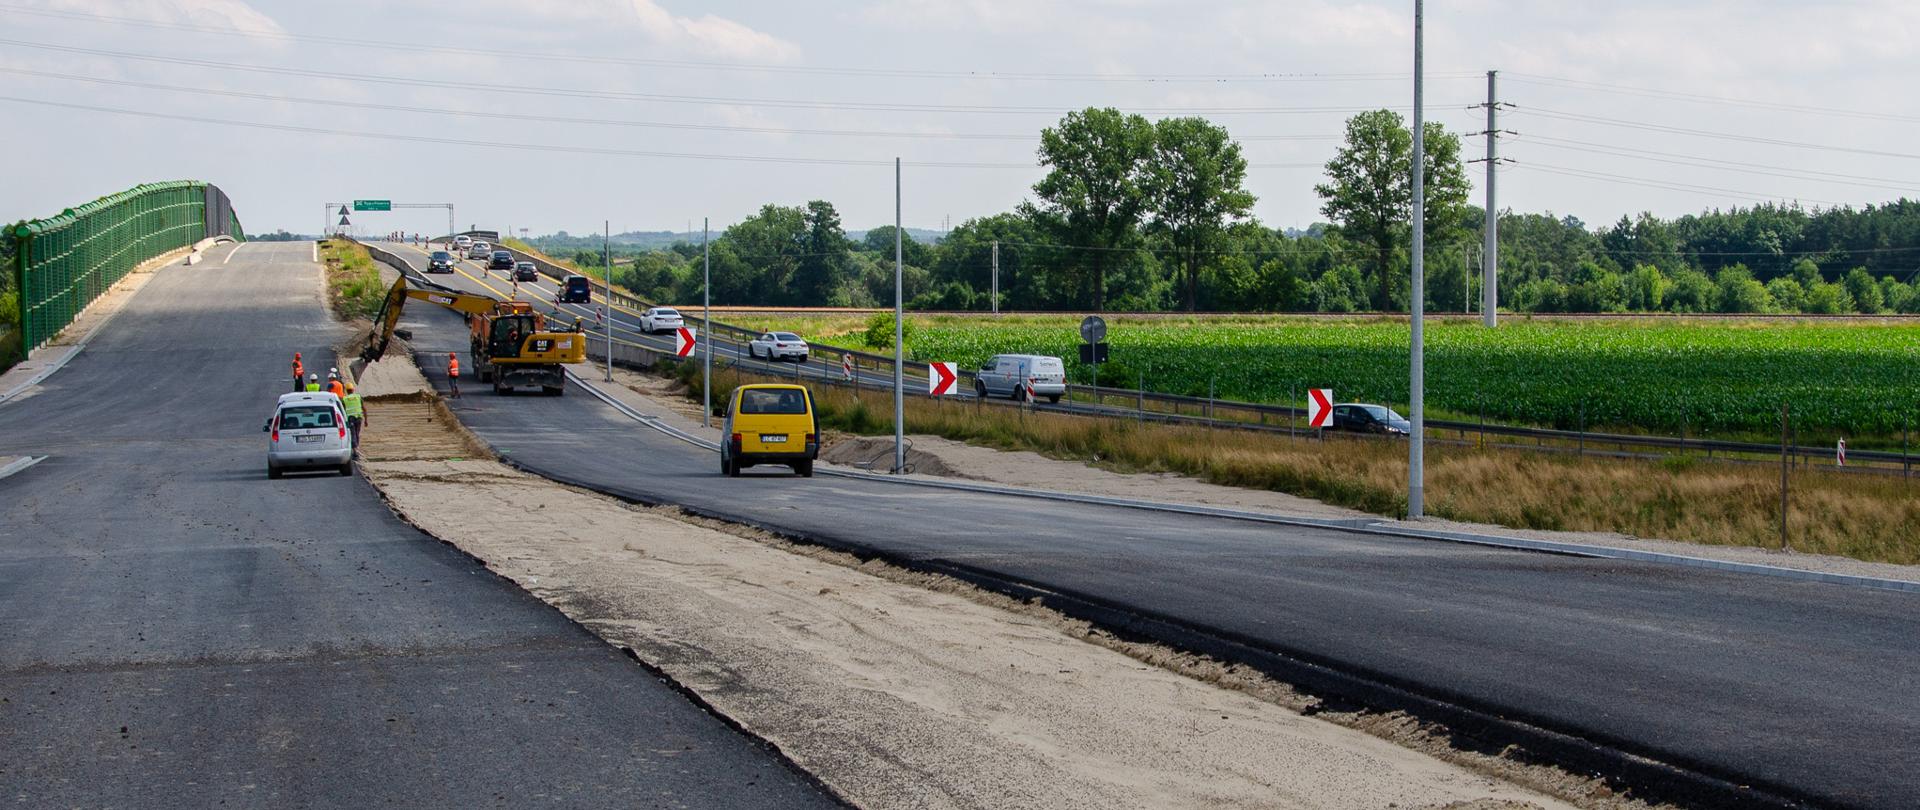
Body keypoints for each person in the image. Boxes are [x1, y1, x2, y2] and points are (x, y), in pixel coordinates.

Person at [341, 383, 365, 449]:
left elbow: (343, 411)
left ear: (346, 390)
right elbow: (364, 408)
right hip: (359, 417)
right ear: (353, 389)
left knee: (353, 433)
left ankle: (354, 448)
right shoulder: (358, 396)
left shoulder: (344, 399)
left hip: (350, 418)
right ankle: (357, 446)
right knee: (357, 432)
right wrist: (366, 420)